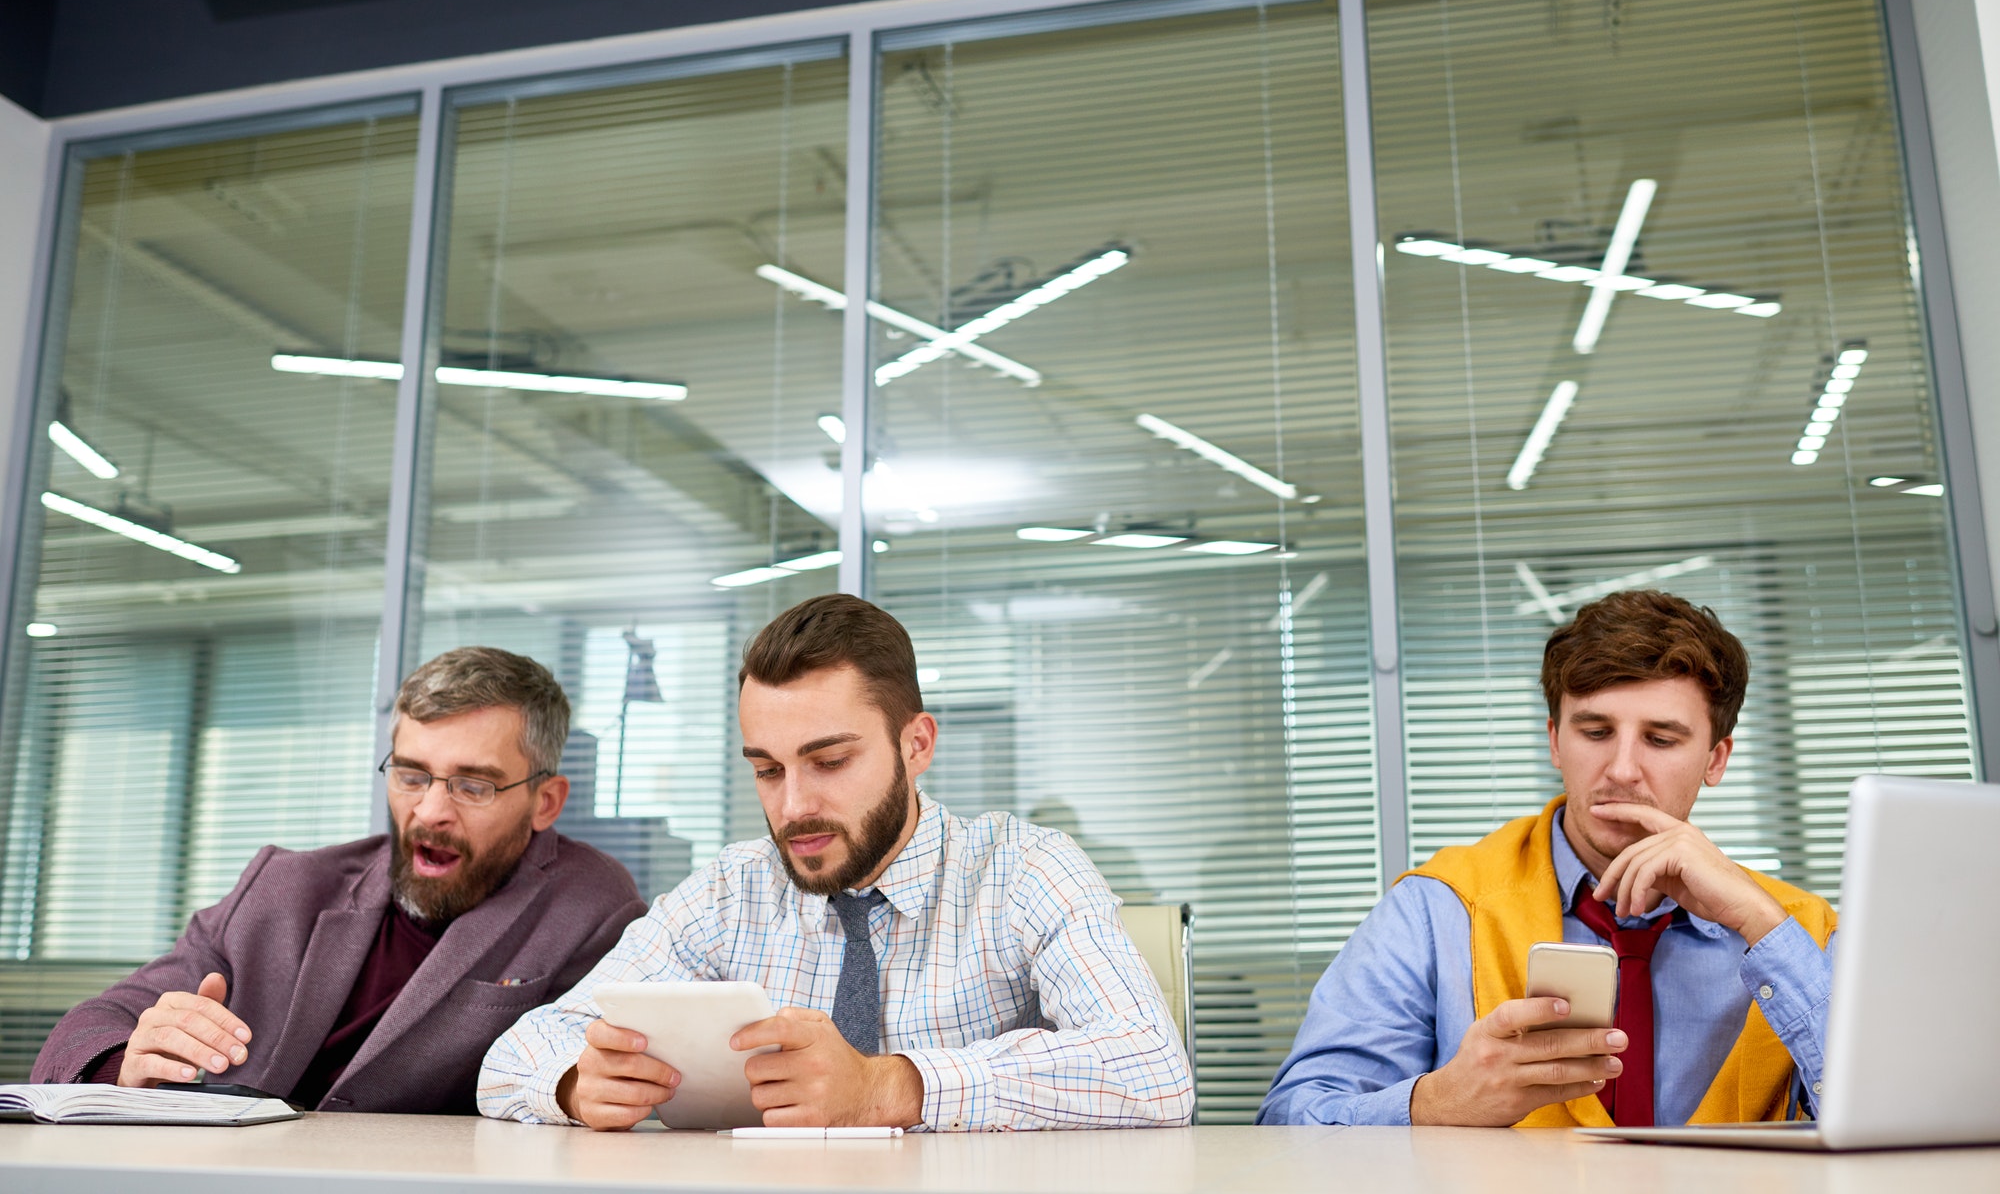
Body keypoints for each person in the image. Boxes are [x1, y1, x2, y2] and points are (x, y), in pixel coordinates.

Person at [479, 593, 1193, 1131]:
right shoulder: (731, 891)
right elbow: (513, 1056)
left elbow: (1153, 1069)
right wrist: (574, 1082)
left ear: (916, 745)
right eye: (767, 768)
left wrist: (887, 1086)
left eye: (829, 760)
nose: (793, 806)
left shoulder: (1024, 870)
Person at [1259, 590, 1836, 1129]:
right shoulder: (1439, 907)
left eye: (1661, 739)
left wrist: (1765, 929)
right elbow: (1292, 1118)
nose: (1622, 770)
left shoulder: (1800, 930)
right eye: (1595, 731)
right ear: (1556, 741)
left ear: (1716, 760)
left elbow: (1895, 1120)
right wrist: (1437, 1101)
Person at [34, 647, 648, 1114]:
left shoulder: (591, 905)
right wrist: (125, 1063)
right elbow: (93, 1022)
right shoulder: (286, 886)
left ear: (545, 801)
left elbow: (582, 1083)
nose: (431, 810)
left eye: (472, 785)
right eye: (411, 775)